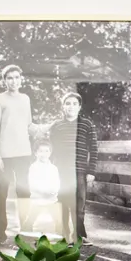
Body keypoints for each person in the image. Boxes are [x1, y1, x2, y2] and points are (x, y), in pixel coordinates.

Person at [0, 64, 34, 247]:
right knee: (1, 194)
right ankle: (0, 233)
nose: (13, 81)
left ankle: (26, 232)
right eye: (9, 78)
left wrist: (49, 127)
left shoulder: (25, 99)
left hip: (24, 153)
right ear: (4, 80)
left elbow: (29, 125)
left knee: (24, 193)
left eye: (16, 77)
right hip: (5, 155)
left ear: (21, 79)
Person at [49, 89, 97, 245]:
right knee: (62, 202)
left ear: (79, 106)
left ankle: (79, 236)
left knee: (79, 204)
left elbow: (94, 148)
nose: (71, 106)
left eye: (74, 104)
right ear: (63, 106)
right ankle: (63, 235)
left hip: (81, 171)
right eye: (68, 103)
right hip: (62, 171)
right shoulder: (57, 126)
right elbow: (51, 149)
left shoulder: (87, 124)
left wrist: (91, 172)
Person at [23, 141, 72, 239]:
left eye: (46, 151)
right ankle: (23, 240)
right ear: (36, 153)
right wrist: (42, 191)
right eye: (40, 151)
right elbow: (32, 183)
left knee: (58, 221)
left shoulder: (53, 168)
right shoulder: (33, 167)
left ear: (50, 153)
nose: (43, 154)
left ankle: (62, 240)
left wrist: (53, 191)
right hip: (37, 199)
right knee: (30, 220)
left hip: (51, 199)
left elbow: (57, 182)